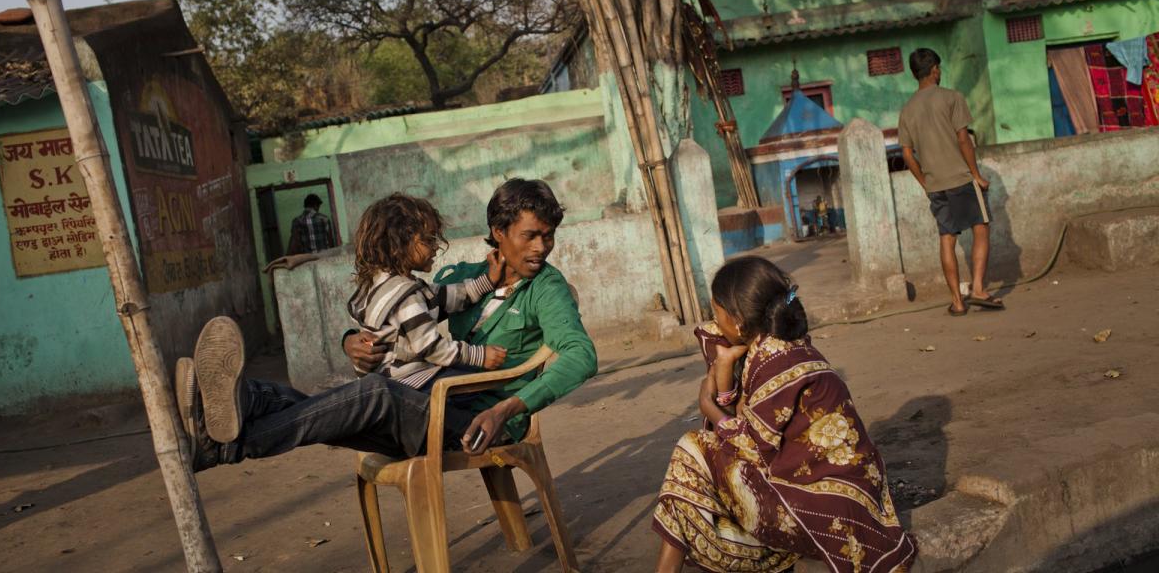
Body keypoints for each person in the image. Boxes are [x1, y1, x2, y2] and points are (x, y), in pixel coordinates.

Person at [176, 178, 597, 470]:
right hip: (428, 409)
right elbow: (404, 312)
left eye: (549, 235)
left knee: (371, 394)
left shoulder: (547, 288)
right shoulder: (462, 278)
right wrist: (351, 342)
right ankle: (241, 400)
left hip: (476, 426)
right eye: (531, 236)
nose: (543, 248)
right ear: (498, 232)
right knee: (341, 401)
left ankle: (227, 446)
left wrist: (510, 408)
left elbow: (581, 356)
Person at [653, 256, 916, 573]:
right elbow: (742, 421)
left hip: (825, 508)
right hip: (827, 495)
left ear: (737, 319)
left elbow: (745, 445)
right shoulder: (777, 346)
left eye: (716, 311)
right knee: (695, 470)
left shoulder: (775, 358)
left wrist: (708, 406)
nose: (713, 320)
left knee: (690, 453)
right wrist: (723, 367)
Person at [346, 193, 507, 390]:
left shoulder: (382, 284)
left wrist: (489, 280)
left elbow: (448, 296)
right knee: (478, 382)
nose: (436, 247)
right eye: (428, 239)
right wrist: (479, 355)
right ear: (400, 243)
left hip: (388, 383)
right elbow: (432, 348)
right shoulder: (405, 296)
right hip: (407, 384)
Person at [898, 48, 1004, 316]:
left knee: (947, 238)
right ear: (935, 69)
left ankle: (957, 302)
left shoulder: (907, 110)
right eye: (939, 68)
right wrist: (976, 175)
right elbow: (963, 139)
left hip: (936, 185)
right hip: (961, 178)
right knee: (981, 226)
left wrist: (925, 183)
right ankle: (978, 289)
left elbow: (907, 155)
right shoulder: (952, 98)